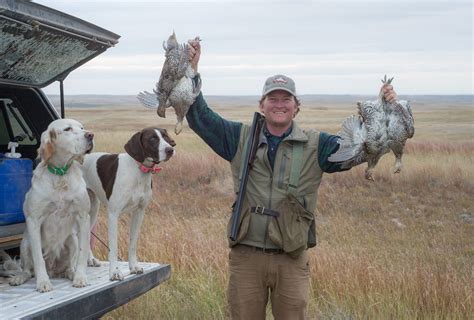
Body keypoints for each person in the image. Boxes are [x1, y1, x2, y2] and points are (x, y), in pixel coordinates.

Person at [185, 39, 397, 320]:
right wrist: (191, 70)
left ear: (297, 106)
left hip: (292, 259)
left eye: (286, 99)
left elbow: (362, 150)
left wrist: (386, 111)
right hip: (246, 259)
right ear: (262, 104)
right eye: (273, 98)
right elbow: (200, 117)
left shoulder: (317, 144)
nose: (279, 104)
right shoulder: (239, 138)